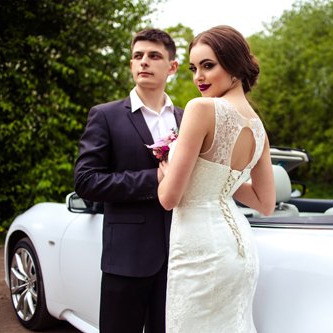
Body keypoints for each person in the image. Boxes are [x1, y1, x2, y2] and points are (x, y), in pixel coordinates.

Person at [157, 25, 276, 332]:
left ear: (235, 65)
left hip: (201, 249)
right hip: (240, 250)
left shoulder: (201, 109)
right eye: (194, 68)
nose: (198, 77)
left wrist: (167, 171)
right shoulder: (259, 127)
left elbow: (169, 199)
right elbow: (266, 203)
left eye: (208, 66)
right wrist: (219, 183)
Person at [74, 28, 183, 333]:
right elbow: (86, 181)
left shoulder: (187, 118)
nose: (144, 62)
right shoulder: (105, 116)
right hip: (127, 258)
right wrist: (155, 177)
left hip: (180, 258)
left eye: (154, 56)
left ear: (172, 67)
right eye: (138, 56)